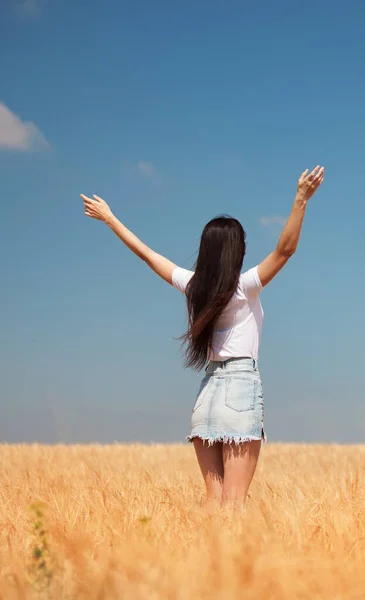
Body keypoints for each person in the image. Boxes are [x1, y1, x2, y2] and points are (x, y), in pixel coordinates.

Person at [80, 165, 325, 510]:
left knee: (214, 502)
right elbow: (284, 251)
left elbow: (148, 254)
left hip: (206, 394)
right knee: (235, 502)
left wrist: (109, 218)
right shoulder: (245, 286)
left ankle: (203, 561)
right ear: (236, 250)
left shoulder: (194, 285)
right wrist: (301, 199)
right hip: (240, 388)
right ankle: (226, 565)